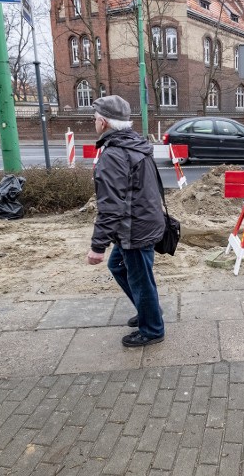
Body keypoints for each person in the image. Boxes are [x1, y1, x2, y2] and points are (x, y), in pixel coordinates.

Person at [86, 95, 166, 347]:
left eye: (95, 119)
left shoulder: (114, 155)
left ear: (103, 122)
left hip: (135, 228)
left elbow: (110, 206)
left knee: (139, 279)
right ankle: (148, 310)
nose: (94, 123)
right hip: (143, 222)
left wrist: (97, 246)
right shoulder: (134, 144)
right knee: (120, 268)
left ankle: (152, 329)